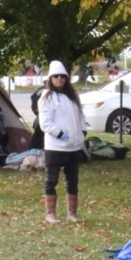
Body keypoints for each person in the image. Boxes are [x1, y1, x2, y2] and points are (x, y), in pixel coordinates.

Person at [39, 60, 86, 223]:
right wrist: (60, 134)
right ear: (50, 79)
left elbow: (80, 117)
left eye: (62, 77)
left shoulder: (73, 97)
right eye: (56, 76)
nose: (59, 79)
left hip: (73, 147)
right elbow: (45, 122)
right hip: (55, 147)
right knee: (51, 180)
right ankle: (50, 213)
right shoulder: (47, 97)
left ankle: (72, 213)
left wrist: (82, 133)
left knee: (72, 181)